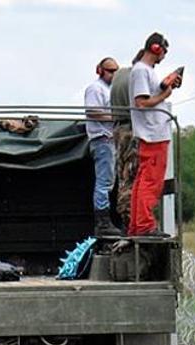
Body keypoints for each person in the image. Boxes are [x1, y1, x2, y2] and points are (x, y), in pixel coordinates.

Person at [128, 32, 181, 237]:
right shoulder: (142, 71)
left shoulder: (143, 70)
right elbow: (141, 102)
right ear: (157, 48)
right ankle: (144, 225)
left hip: (151, 133)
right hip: (153, 133)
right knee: (150, 183)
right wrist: (164, 95)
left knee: (143, 181)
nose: (164, 56)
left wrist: (163, 88)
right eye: (164, 51)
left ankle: (137, 225)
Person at [85, 57, 122, 236]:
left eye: (116, 71)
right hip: (102, 138)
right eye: (110, 71)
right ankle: (102, 221)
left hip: (110, 139)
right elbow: (92, 111)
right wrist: (115, 117)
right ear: (100, 71)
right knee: (104, 181)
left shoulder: (110, 90)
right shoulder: (95, 88)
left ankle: (106, 219)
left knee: (109, 180)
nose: (114, 74)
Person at [111, 49, 144, 228]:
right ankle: (132, 221)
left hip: (118, 129)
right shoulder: (135, 77)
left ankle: (126, 219)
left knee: (122, 176)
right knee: (132, 176)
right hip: (131, 129)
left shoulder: (119, 75)